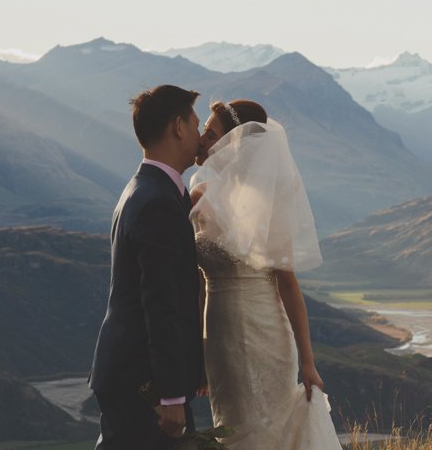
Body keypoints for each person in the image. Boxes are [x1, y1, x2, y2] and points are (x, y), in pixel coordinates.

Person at [190, 99, 343, 450]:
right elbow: (198, 284)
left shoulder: (268, 202)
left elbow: (288, 285)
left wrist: (308, 362)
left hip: (267, 336)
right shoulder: (199, 196)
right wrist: (199, 354)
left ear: (234, 142)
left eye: (210, 133)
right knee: (232, 428)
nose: (202, 138)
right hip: (219, 338)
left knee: (267, 429)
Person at [89, 84, 205, 450]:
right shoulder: (157, 202)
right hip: (143, 380)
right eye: (196, 124)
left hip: (132, 370)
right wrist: (171, 396)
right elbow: (160, 302)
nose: (200, 135)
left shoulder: (148, 188)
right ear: (178, 127)